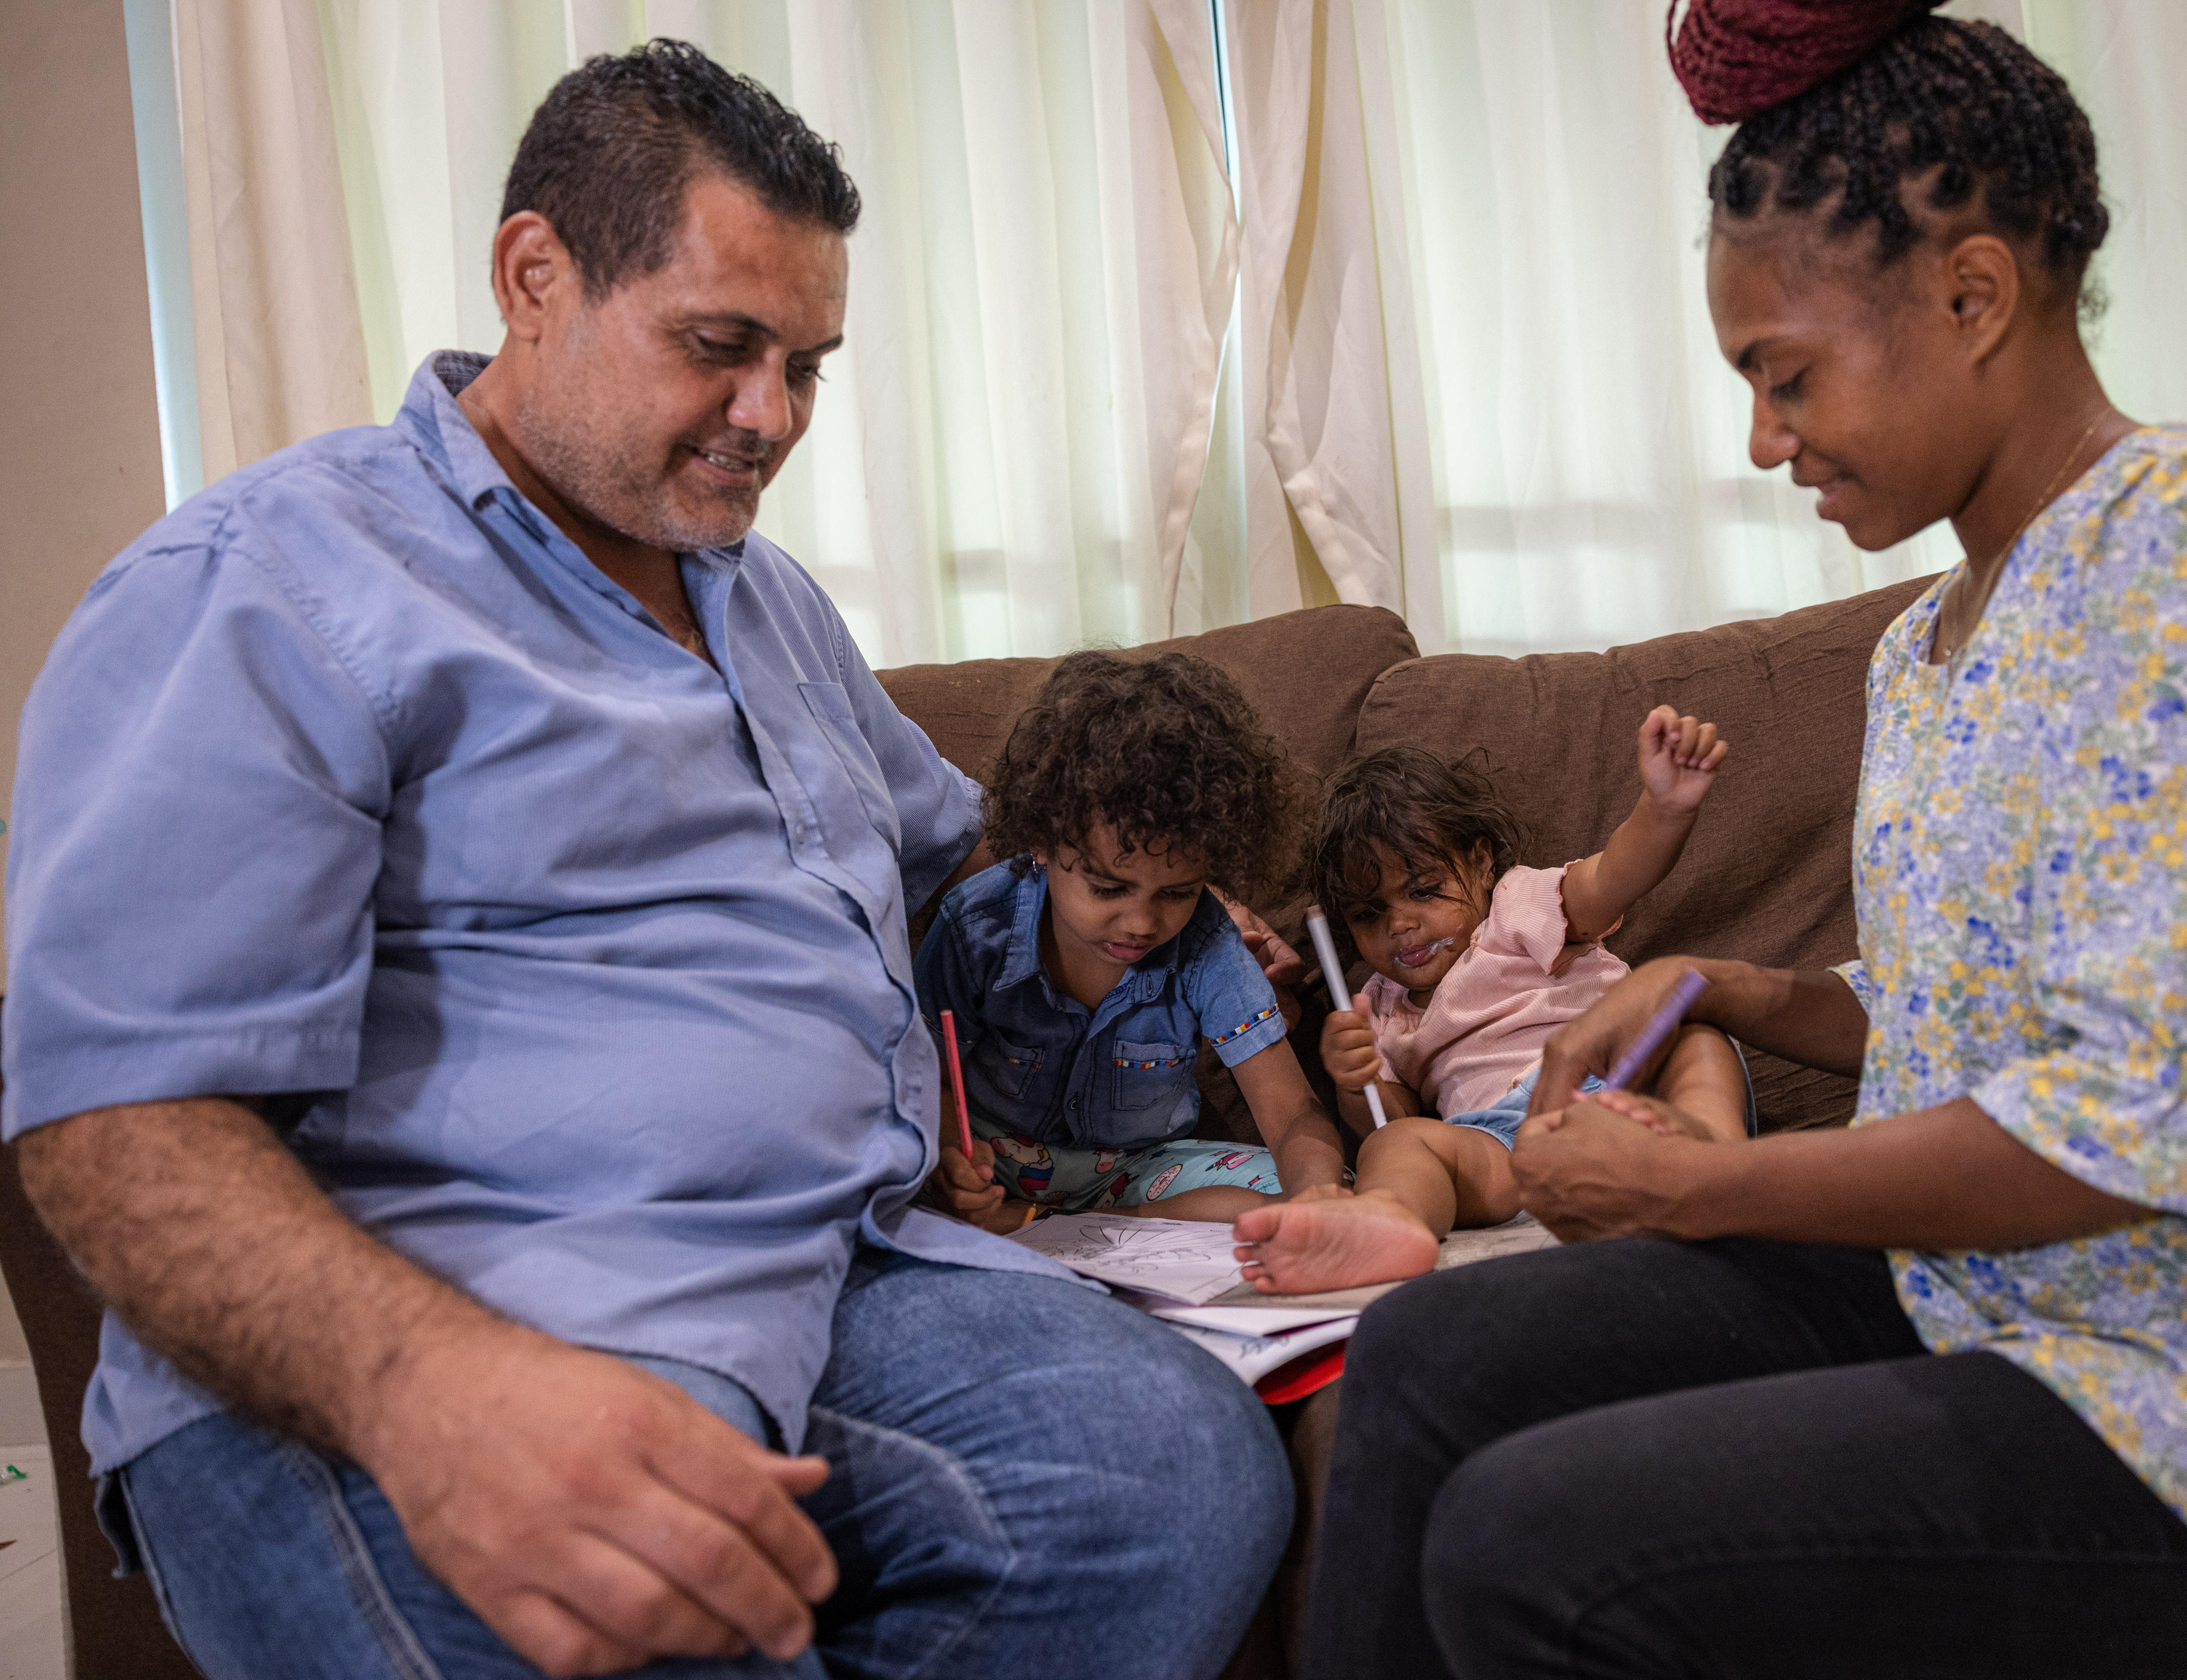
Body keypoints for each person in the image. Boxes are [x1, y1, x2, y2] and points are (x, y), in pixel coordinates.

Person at [1, 41, 1289, 1680]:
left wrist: (1212, 920)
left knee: (1174, 1473)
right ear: (534, 274)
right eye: (719, 347)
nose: (773, 417)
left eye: (807, 364)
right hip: (411, 1337)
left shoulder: (772, 602)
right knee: (629, 1616)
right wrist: (430, 1391)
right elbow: (115, 1121)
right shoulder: (263, 583)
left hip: (823, 1280)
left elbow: (978, 848)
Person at [1300, 4, 2187, 1678]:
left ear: (1971, 294)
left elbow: (2139, 1120)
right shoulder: (1928, 645)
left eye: (1782, 372)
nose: (1762, 437)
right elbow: (1994, 1008)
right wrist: (1731, 983)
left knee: (1538, 1540)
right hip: (1998, 1299)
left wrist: (1714, 1183)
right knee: (1428, 1355)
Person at [1230, 713, 1748, 1293]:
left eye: (1423, 891)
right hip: (1509, 1144)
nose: (1401, 924)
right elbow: (1394, 1120)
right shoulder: (1375, 1007)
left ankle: (1721, 1165)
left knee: (1688, 1029)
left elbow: (1611, 879)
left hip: (1621, 1070)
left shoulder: (1517, 906)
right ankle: (1386, 1220)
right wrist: (1357, 1083)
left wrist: (1664, 809)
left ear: (1480, 863)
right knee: (1394, 1145)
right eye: (1369, 915)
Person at [916, 650, 1351, 1227]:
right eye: (1107, 889)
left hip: (1141, 1174)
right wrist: (950, 1161)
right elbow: (929, 1073)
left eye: (1176, 893)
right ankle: (1030, 1219)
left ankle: (1049, 1227)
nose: (1142, 924)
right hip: (995, 1165)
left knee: (1314, 1182)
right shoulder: (975, 926)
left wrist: (1315, 1193)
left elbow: (1294, 1114)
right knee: (896, 1175)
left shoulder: (1208, 946)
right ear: (1042, 844)